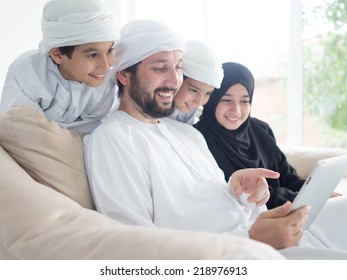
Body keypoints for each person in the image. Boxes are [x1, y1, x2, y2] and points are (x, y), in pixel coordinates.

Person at [84, 19, 347, 258]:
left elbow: (212, 200)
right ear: (124, 74)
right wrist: (252, 240)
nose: (175, 80)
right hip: (239, 255)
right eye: (160, 68)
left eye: (177, 68)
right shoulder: (112, 140)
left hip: (268, 232)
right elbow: (135, 245)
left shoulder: (188, 134)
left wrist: (244, 190)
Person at [194, 62, 341, 209]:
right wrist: (303, 198)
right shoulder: (199, 138)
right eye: (226, 100)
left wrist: (320, 193)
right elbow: (246, 196)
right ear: (211, 99)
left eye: (245, 101)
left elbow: (288, 178)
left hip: (288, 212)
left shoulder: (260, 129)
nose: (236, 110)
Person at [0, 0, 120, 133]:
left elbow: (93, 129)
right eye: (92, 55)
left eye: (109, 50)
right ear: (58, 55)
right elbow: (20, 129)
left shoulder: (106, 79)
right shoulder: (27, 72)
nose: (105, 66)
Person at [169, 40, 224, 124]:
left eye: (208, 93)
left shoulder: (187, 107)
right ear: (177, 79)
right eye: (194, 90)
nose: (199, 102)